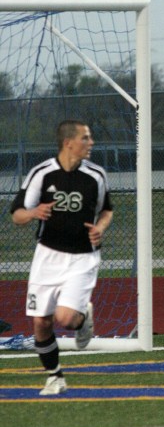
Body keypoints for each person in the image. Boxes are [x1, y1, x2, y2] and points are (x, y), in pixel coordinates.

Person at [10, 120, 113, 395]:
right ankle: (55, 377)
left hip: (82, 258)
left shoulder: (96, 176)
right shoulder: (42, 174)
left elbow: (107, 211)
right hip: (47, 257)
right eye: (86, 138)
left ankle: (81, 319)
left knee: (65, 319)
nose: (90, 143)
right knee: (41, 322)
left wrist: (100, 229)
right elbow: (16, 214)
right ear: (69, 142)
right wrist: (33, 213)